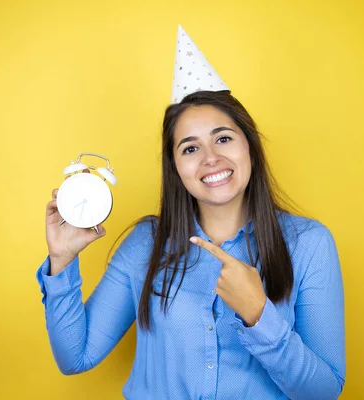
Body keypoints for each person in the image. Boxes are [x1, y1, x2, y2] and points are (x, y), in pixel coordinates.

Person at [36, 26, 345, 400]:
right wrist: (62, 261)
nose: (211, 158)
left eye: (224, 138)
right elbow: (76, 357)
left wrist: (259, 314)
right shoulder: (145, 245)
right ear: (176, 168)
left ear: (250, 146)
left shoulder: (309, 244)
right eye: (190, 148)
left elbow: (324, 392)